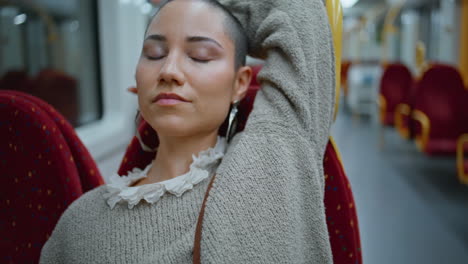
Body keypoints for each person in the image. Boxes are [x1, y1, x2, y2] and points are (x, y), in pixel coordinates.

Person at [40, 0, 335, 263]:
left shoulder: (270, 163)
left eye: (200, 56)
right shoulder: (77, 225)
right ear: (137, 80)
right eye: (154, 54)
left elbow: (298, 11)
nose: (168, 70)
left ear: (239, 84)